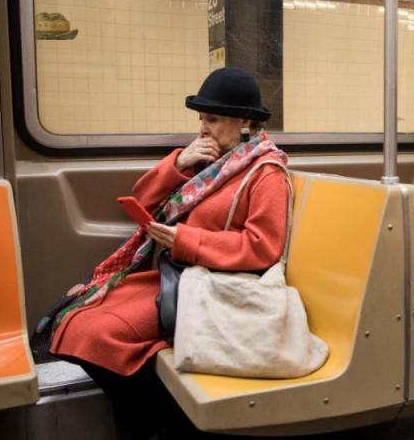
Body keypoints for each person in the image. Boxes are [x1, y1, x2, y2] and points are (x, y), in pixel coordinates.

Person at [39, 67, 290, 438]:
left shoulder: (264, 172)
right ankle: (154, 418)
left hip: (216, 284)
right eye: (201, 118)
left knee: (96, 333)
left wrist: (184, 240)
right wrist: (178, 163)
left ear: (244, 122)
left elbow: (262, 248)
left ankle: (161, 423)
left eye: (214, 118)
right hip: (178, 274)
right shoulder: (207, 165)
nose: (203, 128)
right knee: (73, 317)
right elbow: (143, 198)